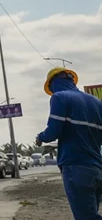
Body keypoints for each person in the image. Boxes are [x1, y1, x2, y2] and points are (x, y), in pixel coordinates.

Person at [36, 67, 102, 220]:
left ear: (53, 83)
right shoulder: (96, 102)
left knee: (86, 217)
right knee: (91, 212)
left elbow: (53, 131)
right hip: (97, 168)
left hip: (75, 166)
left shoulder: (60, 97)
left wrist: (40, 137)